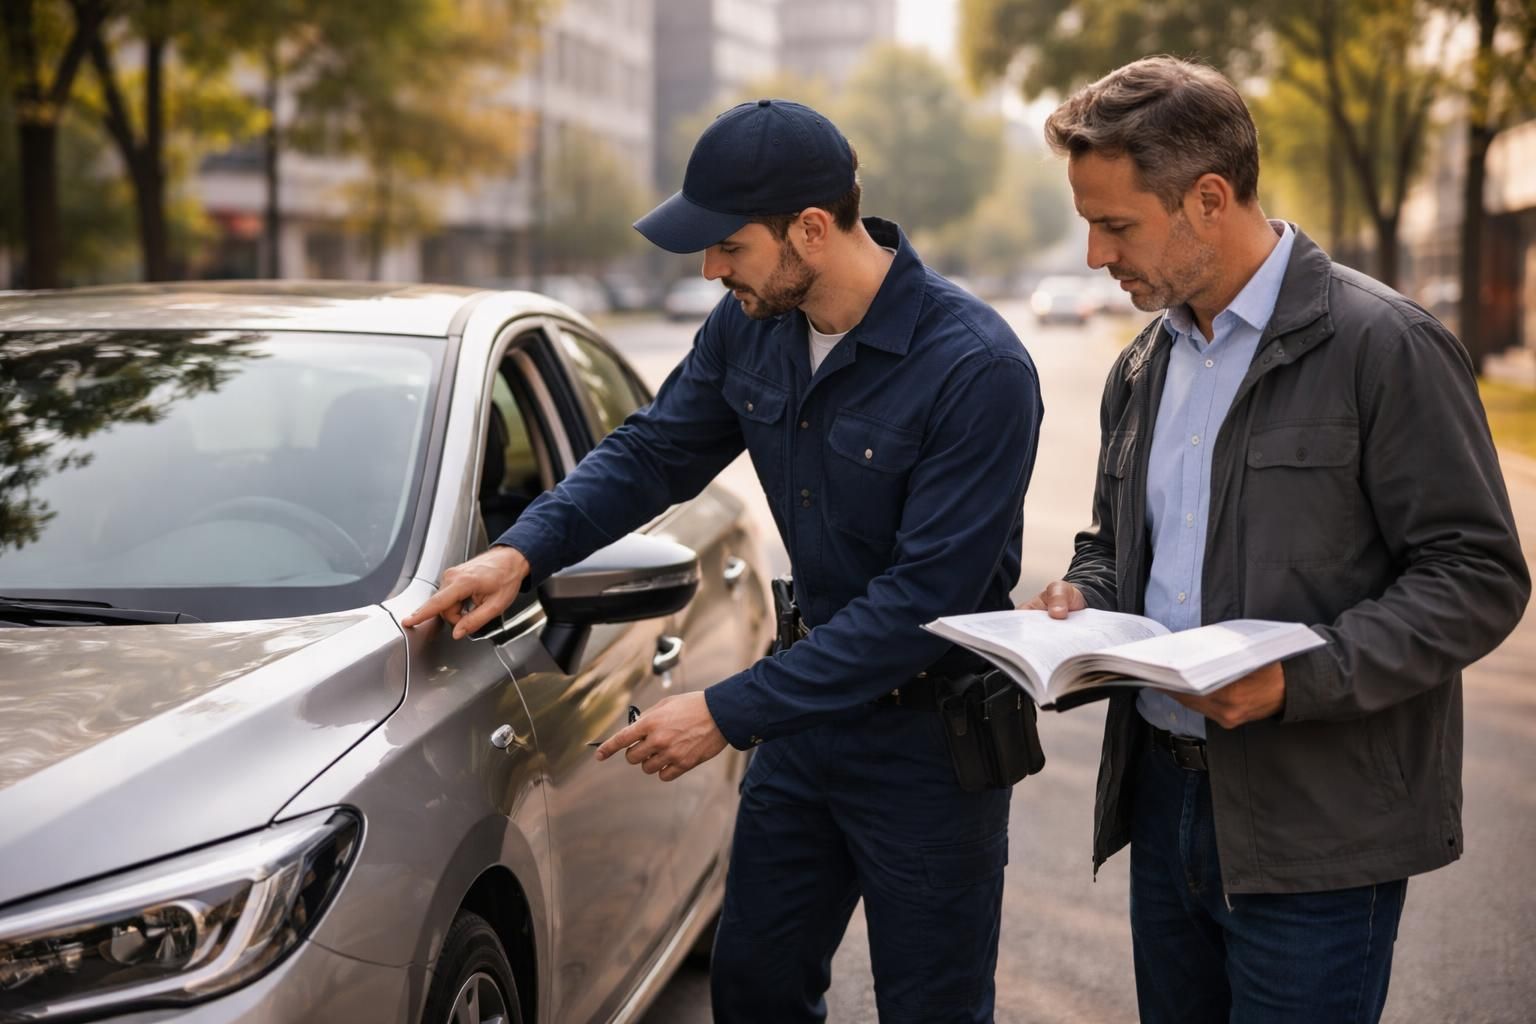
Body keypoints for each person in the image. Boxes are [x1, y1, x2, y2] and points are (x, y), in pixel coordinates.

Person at [404, 99, 1043, 1023]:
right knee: (753, 988)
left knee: (932, 1008)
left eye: (728, 248)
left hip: (930, 747)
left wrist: (726, 711)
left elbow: (921, 602)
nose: (710, 270)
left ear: (812, 231)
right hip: (804, 722)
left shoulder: (977, 368)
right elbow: (654, 450)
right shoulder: (750, 323)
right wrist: (520, 551)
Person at [1022, 56, 1530, 1023]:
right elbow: (1113, 540)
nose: (1094, 255)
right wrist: (1087, 594)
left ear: (1208, 198)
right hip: (1165, 803)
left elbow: (1477, 576)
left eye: (1115, 224)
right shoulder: (1145, 361)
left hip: (1320, 826)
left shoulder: (1385, 346)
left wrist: (1302, 677)